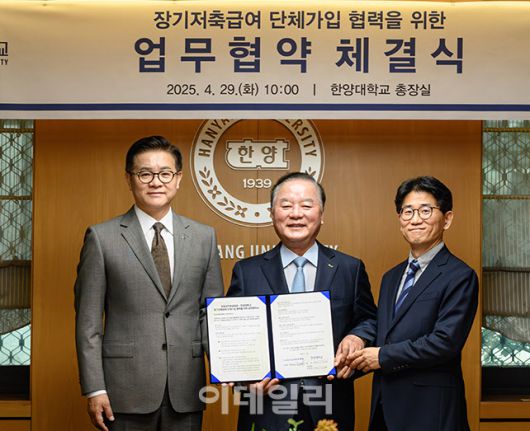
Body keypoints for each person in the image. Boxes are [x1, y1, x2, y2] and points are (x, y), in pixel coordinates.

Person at [74, 136, 224, 431]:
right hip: (123, 391)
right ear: (129, 179)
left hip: (186, 389)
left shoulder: (204, 237)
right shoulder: (101, 238)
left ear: (178, 179)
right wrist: (95, 388)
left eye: (165, 173)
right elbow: (88, 322)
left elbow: (211, 313)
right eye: (145, 173)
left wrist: (230, 365)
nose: (156, 182)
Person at [226, 172, 377, 431]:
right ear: (272, 213)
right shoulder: (247, 271)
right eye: (286, 205)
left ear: (321, 214)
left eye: (306, 205)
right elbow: (233, 337)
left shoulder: (349, 268)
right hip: (267, 408)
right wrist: (244, 382)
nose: (296, 214)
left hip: (330, 404)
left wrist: (358, 337)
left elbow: (369, 319)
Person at [350, 176, 479, 431]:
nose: (415, 219)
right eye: (407, 211)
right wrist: (349, 359)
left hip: (430, 412)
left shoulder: (460, 276)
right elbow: (385, 334)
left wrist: (383, 356)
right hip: (385, 410)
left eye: (425, 210)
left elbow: (445, 342)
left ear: (447, 219)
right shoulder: (391, 277)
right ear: (400, 220)